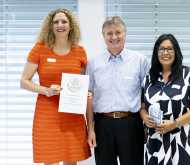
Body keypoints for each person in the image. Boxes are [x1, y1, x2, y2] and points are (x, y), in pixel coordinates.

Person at [20, 8, 91, 165]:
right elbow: (24, 81)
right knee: (50, 159)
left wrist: (85, 93)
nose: (60, 25)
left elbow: (82, 83)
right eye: (56, 22)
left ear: (71, 26)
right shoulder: (40, 49)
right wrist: (45, 90)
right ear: (50, 26)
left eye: (64, 21)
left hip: (71, 114)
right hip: (47, 114)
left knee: (71, 159)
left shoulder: (80, 52)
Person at [86, 16, 148, 165]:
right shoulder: (93, 63)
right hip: (103, 125)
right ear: (103, 36)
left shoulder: (140, 60)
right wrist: (91, 129)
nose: (114, 37)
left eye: (118, 32)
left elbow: (147, 96)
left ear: (125, 34)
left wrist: (146, 126)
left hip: (132, 124)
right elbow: (89, 96)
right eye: (109, 33)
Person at [140, 33, 190, 165]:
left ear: (176, 51)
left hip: (182, 141)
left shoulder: (189, 76)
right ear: (156, 53)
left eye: (169, 49)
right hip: (155, 142)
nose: (165, 52)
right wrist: (144, 117)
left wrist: (174, 124)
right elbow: (142, 107)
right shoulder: (149, 77)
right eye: (161, 49)